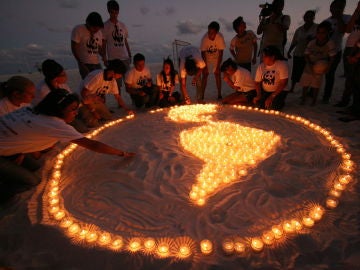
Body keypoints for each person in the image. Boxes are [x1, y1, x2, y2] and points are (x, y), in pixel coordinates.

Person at [0, 89, 135, 200]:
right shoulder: (53, 124)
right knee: (32, 182)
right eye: (72, 109)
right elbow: (93, 145)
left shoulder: (31, 109)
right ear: (58, 109)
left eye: (76, 109)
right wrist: (122, 153)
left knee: (36, 166)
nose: (76, 113)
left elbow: (19, 132)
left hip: (7, 147)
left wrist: (20, 151)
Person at [34, 59, 88, 133]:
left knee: (88, 115)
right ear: (55, 78)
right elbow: (52, 112)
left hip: (68, 112)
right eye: (63, 74)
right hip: (53, 117)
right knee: (81, 128)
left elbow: (71, 100)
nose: (66, 76)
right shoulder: (43, 90)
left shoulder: (62, 85)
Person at [79, 59, 133, 128]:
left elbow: (117, 97)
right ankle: (81, 113)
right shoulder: (97, 76)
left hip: (95, 101)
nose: (120, 77)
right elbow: (83, 94)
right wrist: (93, 111)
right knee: (93, 123)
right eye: (120, 74)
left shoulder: (112, 81)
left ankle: (94, 114)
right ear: (113, 72)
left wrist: (126, 109)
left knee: (108, 117)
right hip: (84, 102)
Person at [299, 21, 337, 106]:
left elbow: (332, 57)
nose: (320, 35)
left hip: (320, 66)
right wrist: (309, 64)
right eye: (318, 32)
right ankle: (303, 98)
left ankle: (314, 101)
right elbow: (306, 54)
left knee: (316, 84)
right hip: (310, 64)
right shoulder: (312, 42)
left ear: (328, 33)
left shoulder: (330, 44)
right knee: (305, 83)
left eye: (323, 33)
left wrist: (328, 67)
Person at [322, 0, 351, 104]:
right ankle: (313, 92)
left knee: (330, 74)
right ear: (330, 8)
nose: (337, 9)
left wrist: (339, 17)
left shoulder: (347, 18)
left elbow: (344, 30)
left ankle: (326, 96)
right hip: (324, 51)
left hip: (336, 51)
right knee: (319, 72)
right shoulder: (326, 21)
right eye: (335, 7)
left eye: (340, 7)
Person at [103, 0, 132, 94]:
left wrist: (129, 54)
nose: (114, 14)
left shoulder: (122, 25)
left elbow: (125, 41)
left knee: (128, 80)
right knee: (116, 83)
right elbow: (103, 43)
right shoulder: (105, 26)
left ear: (118, 12)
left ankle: (132, 100)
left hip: (125, 57)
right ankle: (120, 103)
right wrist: (104, 58)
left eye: (116, 12)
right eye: (112, 12)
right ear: (108, 11)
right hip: (113, 59)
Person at [335, 1, 360, 107]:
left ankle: (354, 105)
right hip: (349, 48)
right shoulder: (356, 18)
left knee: (356, 78)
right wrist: (357, 11)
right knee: (349, 77)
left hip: (357, 49)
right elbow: (348, 29)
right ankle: (346, 101)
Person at [287, 10, 318, 92]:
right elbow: (294, 42)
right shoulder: (299, 30)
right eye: (306, 16)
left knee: (308, 72)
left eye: (310, 16)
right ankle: (292, 88)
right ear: (304, 17)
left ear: (313, 18)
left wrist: (313, 40)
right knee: (295, 72)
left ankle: (308, 90)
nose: (308, 18)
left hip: (311, 54)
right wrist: (289, 51)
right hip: (298, 53)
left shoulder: (317, 28)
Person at [71, 12, 106, 79]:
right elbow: (74, 48)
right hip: (85, 63)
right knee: (89, 84)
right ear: (88, 23)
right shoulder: (78, 29)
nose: (96, 30)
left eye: (98, 28)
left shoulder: (99, 32)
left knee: (100, 81)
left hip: (96, 63)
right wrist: (81, 64)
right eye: (94, 28)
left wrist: (104, 56)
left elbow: (99, 48)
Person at [254, 46, 289, 110]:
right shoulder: (261, 66)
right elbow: (257, 83)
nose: (262, 58)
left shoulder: (282, 65)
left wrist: (272, 96)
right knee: (260, 105)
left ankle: (280, 101)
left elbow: (283, 83)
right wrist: (258, 94)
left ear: (272, 57)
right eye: (262, 56)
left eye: (265, 56)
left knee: (272, 107)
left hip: (278, 91)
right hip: (265, 91)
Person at [200, 21, 226, 100]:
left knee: (217, 74)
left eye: (212, 33)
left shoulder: (220, 37)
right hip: (206, 57)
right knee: (205, 74)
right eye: (209, 32)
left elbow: (221, 53)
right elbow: (203, 52)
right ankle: (202, 95)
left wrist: (218, 66)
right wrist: (205, 66)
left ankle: (219, 94)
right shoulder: (204, 38)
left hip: (216, 57)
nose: (210, 34)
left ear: (217, 32)